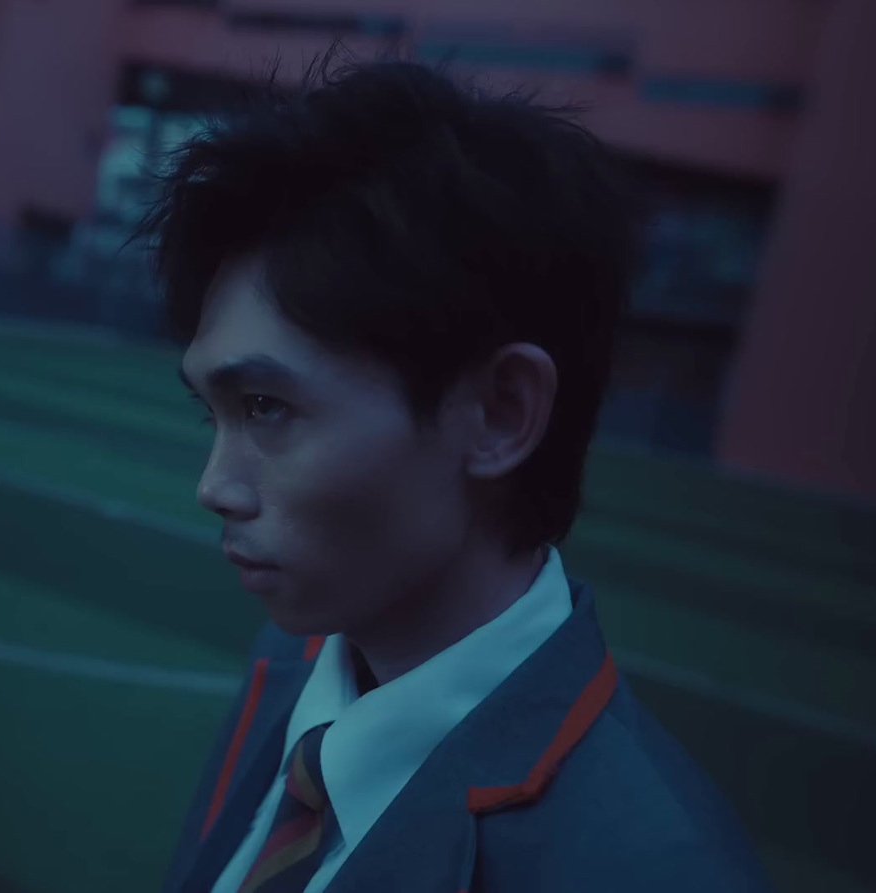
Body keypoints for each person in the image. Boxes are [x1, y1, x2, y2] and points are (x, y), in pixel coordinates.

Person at [140, 54, 773, 893]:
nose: (214, 484)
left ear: (502, 413)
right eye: (210, 412)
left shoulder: (654, 871)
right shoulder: (291, 665)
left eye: (265, 406)